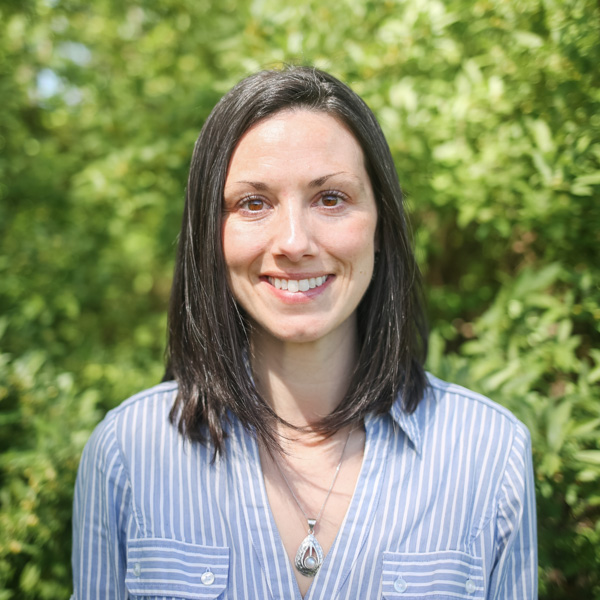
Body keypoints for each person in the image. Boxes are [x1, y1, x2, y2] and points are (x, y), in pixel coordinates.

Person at [71, 66, 537, 599]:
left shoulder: (488, 453)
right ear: (210, 234)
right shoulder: (129, 452)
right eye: (254, 203)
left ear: (381, 224)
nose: (294, 241)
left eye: (331, 198)